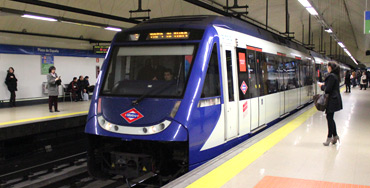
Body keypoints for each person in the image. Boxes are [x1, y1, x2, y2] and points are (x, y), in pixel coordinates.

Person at [318, 62, 342, 146]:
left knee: (329, 118)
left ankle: (329, 137)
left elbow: (327, 89)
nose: (327, 68)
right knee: (330, 118)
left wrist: (321, 86)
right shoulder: (335, 76)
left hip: (332, 100)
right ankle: (335, 136)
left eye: (328, 67)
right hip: (334, 99)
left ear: (330, 68)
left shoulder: (331, 76)